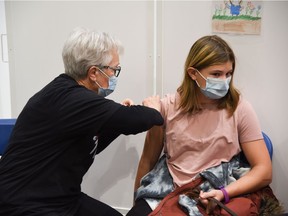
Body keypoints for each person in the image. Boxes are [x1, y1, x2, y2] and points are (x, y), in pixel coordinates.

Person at [0, 27, 164, 216]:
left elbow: (88, 146)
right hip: (24, 204)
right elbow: (140, 120)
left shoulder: (70, 95)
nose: (114, 76)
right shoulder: (72, 99)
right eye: (114, 70)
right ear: (93, 72)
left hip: (61, 197)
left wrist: (114, 122)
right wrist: (153, 109)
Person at [127, 35, 280, 216]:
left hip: (218, 189)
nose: (224, 81)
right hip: (169, 189)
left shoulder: (239, 108)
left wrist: (224, 193)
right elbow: (147, 160)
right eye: (216, 74)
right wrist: (137, 199)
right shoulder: (166, 108)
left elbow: (264, 170)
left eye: (228, 74)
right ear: (193, 73)